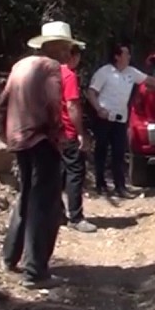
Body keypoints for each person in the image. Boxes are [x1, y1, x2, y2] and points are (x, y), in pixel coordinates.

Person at [0, 31, 66, 289]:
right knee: (44, 205)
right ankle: (35, 271)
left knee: (26, 196)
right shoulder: (51, 67)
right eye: (66, 48)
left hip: (18, 140)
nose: (68, 54)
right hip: (40, 139)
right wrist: (57, 133)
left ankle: (9, 256)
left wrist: (7, 134)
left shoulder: (20, 66)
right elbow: (54, 103)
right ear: (55, 48)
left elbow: (2, 104)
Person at [86, 40, 155, 198]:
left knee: (118, 152)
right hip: (104, 118)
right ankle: (100, 184)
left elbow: (148, 80)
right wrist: (98, 109)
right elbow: (91, 92)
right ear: (117, 56)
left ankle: (120, 187)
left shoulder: (131, 72)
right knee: (101, 151)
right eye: (126, 53)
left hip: (120, 118)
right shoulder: (105, 72)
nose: (129, 56)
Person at [59, 43, 97, 233]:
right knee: (75, 173)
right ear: (72, 57)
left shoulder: (49, 74)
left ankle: (57, 213)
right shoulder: (69, 76)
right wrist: (80, 132)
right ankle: (76, 216)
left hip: (52, 133)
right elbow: (72, 106)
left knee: (58, 174)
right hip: (68, 131)